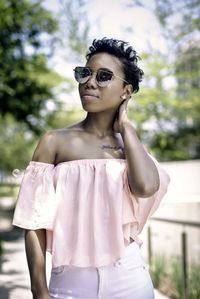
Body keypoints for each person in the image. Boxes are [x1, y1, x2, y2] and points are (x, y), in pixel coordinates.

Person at [12, 37, 170, 299]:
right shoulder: (54, 142)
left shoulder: (130, 147)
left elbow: (146, 187)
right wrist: (38, 291)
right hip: (69, 283)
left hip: (129, 279)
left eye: (104, 76)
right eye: (85, 73)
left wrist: (127, 129)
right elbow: (34, 223)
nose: (89, 81)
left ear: (126, 91)